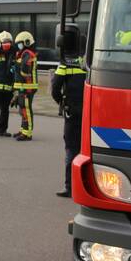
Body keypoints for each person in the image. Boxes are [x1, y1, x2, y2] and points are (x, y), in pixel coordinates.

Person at [51, 54, 87, 197]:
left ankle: (70, 187)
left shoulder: (65, 63)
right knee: (88, 149)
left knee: (71, 149)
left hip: (71, 112)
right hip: (90, 111)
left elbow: (55, 88)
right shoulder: (91, 59)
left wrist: (62, 102)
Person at [10, 31, 38, 142]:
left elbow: (25, 70)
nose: (18, 45)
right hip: (23, 86)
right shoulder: (23, 53)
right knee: (22, 109)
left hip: (28, 87)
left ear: (26, 42)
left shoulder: (27, 53)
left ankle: (28, 133)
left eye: (20, 43)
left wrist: (17, 68)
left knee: (26, 109)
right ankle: (23, 130)